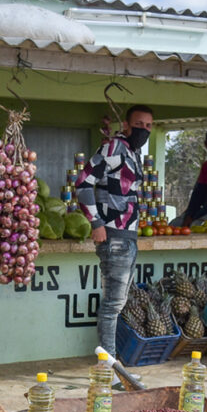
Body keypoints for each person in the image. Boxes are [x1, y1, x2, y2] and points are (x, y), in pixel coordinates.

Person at [78, 104, 154, 362]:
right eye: (139, 124)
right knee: (112, 307)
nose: (144, 130)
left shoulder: (132, 153)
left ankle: (111, 363)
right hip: (115, 236)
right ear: (126, 125)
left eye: (148, 126)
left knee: (116, 304)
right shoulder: (113, 148)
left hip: (127, 237)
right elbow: (83, 183)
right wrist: (96, 222)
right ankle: (108, 366)